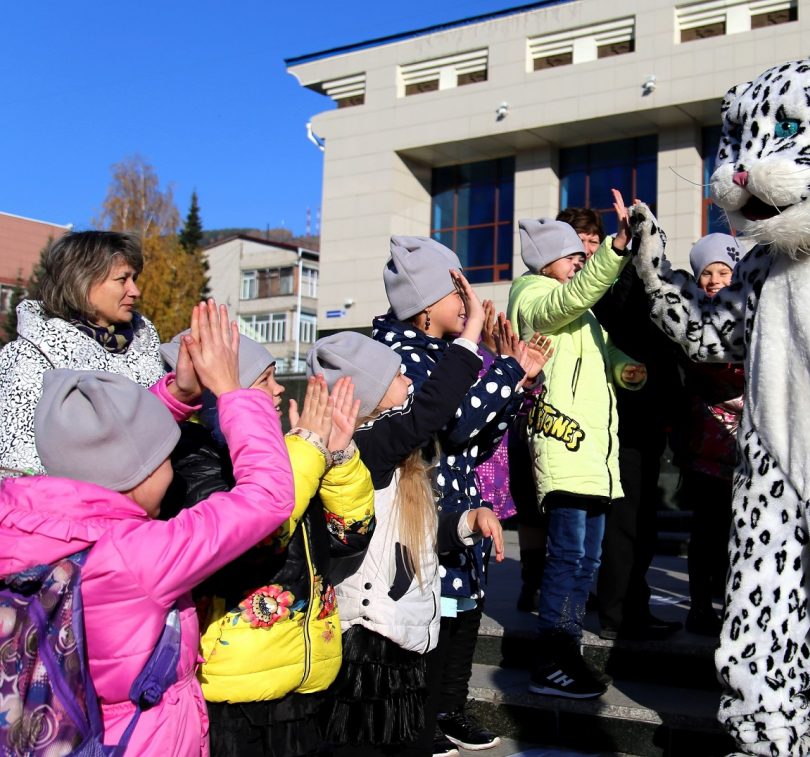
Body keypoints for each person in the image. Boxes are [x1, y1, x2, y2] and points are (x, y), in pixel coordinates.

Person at [0, 301, 295, 755]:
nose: (171, 467)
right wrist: (234, 393)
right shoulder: (139, 556)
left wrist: (178, 392)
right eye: (164, 457)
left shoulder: (19, 518)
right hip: (142, 738)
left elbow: (117, 443)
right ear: (140, 472)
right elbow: (267, 497)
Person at [158, 332, 374, 757]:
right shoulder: (190, 458)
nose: (279, 390)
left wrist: (338, 459)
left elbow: (350, 535)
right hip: (236, 692)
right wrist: (306, 451)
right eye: (265, 380)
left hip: (304, 675)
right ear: (221, 396)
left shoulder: (287, 455)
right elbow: (255, 540)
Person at [313, 279, 504, 757]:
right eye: (399, 376)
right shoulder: (365, 449)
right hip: (370, 646)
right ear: (372, 394)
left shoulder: (393, 456)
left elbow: (409, 535)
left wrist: (467, 522)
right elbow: (431, 411)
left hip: (399, 639)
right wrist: (471, 336)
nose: (409, 383)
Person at [373, 239, 546, 753]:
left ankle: (451, 708)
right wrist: (508, 373)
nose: (466, 300)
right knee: (436, 618)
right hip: (426, 504)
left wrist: (517, 385)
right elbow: (454, 421)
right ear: (427, 308)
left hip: (462, 496)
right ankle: (426, 715)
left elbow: (477, 436)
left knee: (465, 610)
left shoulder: (443, 352)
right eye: (455, 290)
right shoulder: (402, 355)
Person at [507, 190, 645, 700]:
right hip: (565, 449)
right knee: (567, 557)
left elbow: (603, 347)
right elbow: (570, 299)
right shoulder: (532, 294)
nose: (580, 265)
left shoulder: (579, 311)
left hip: (594, 456)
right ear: (548, 260)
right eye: (573, 258)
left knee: (586, 560)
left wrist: (625, 368)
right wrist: (613, 249)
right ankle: (552, 655)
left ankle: (567, 651)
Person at [559, 205, 686, 643]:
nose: (589, 249)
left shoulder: (629, 279)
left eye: (595, 241)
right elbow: (620, 314)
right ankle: (617, 610)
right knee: (623, 521)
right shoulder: (584, 289)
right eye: (582, 242)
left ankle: (630, 603)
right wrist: (629, 245)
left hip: (646, 412)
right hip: (613, 418)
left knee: (639, 520)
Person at [0, 230, 196, 474]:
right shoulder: (29, 355)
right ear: (82, 281)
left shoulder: (144, 345)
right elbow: (18, 471)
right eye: (122, 279)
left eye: (134, 279)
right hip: (74, 509)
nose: (135, 291)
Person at [670, 234, 745, 636]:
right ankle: (700, 606)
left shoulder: (753, 312)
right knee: (707, 528)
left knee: (741, 530)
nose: (714, 280)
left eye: (722, 271)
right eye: (707, 274)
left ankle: (734, 602)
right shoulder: (689, 317)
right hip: (705, 440)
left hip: (748, 442)